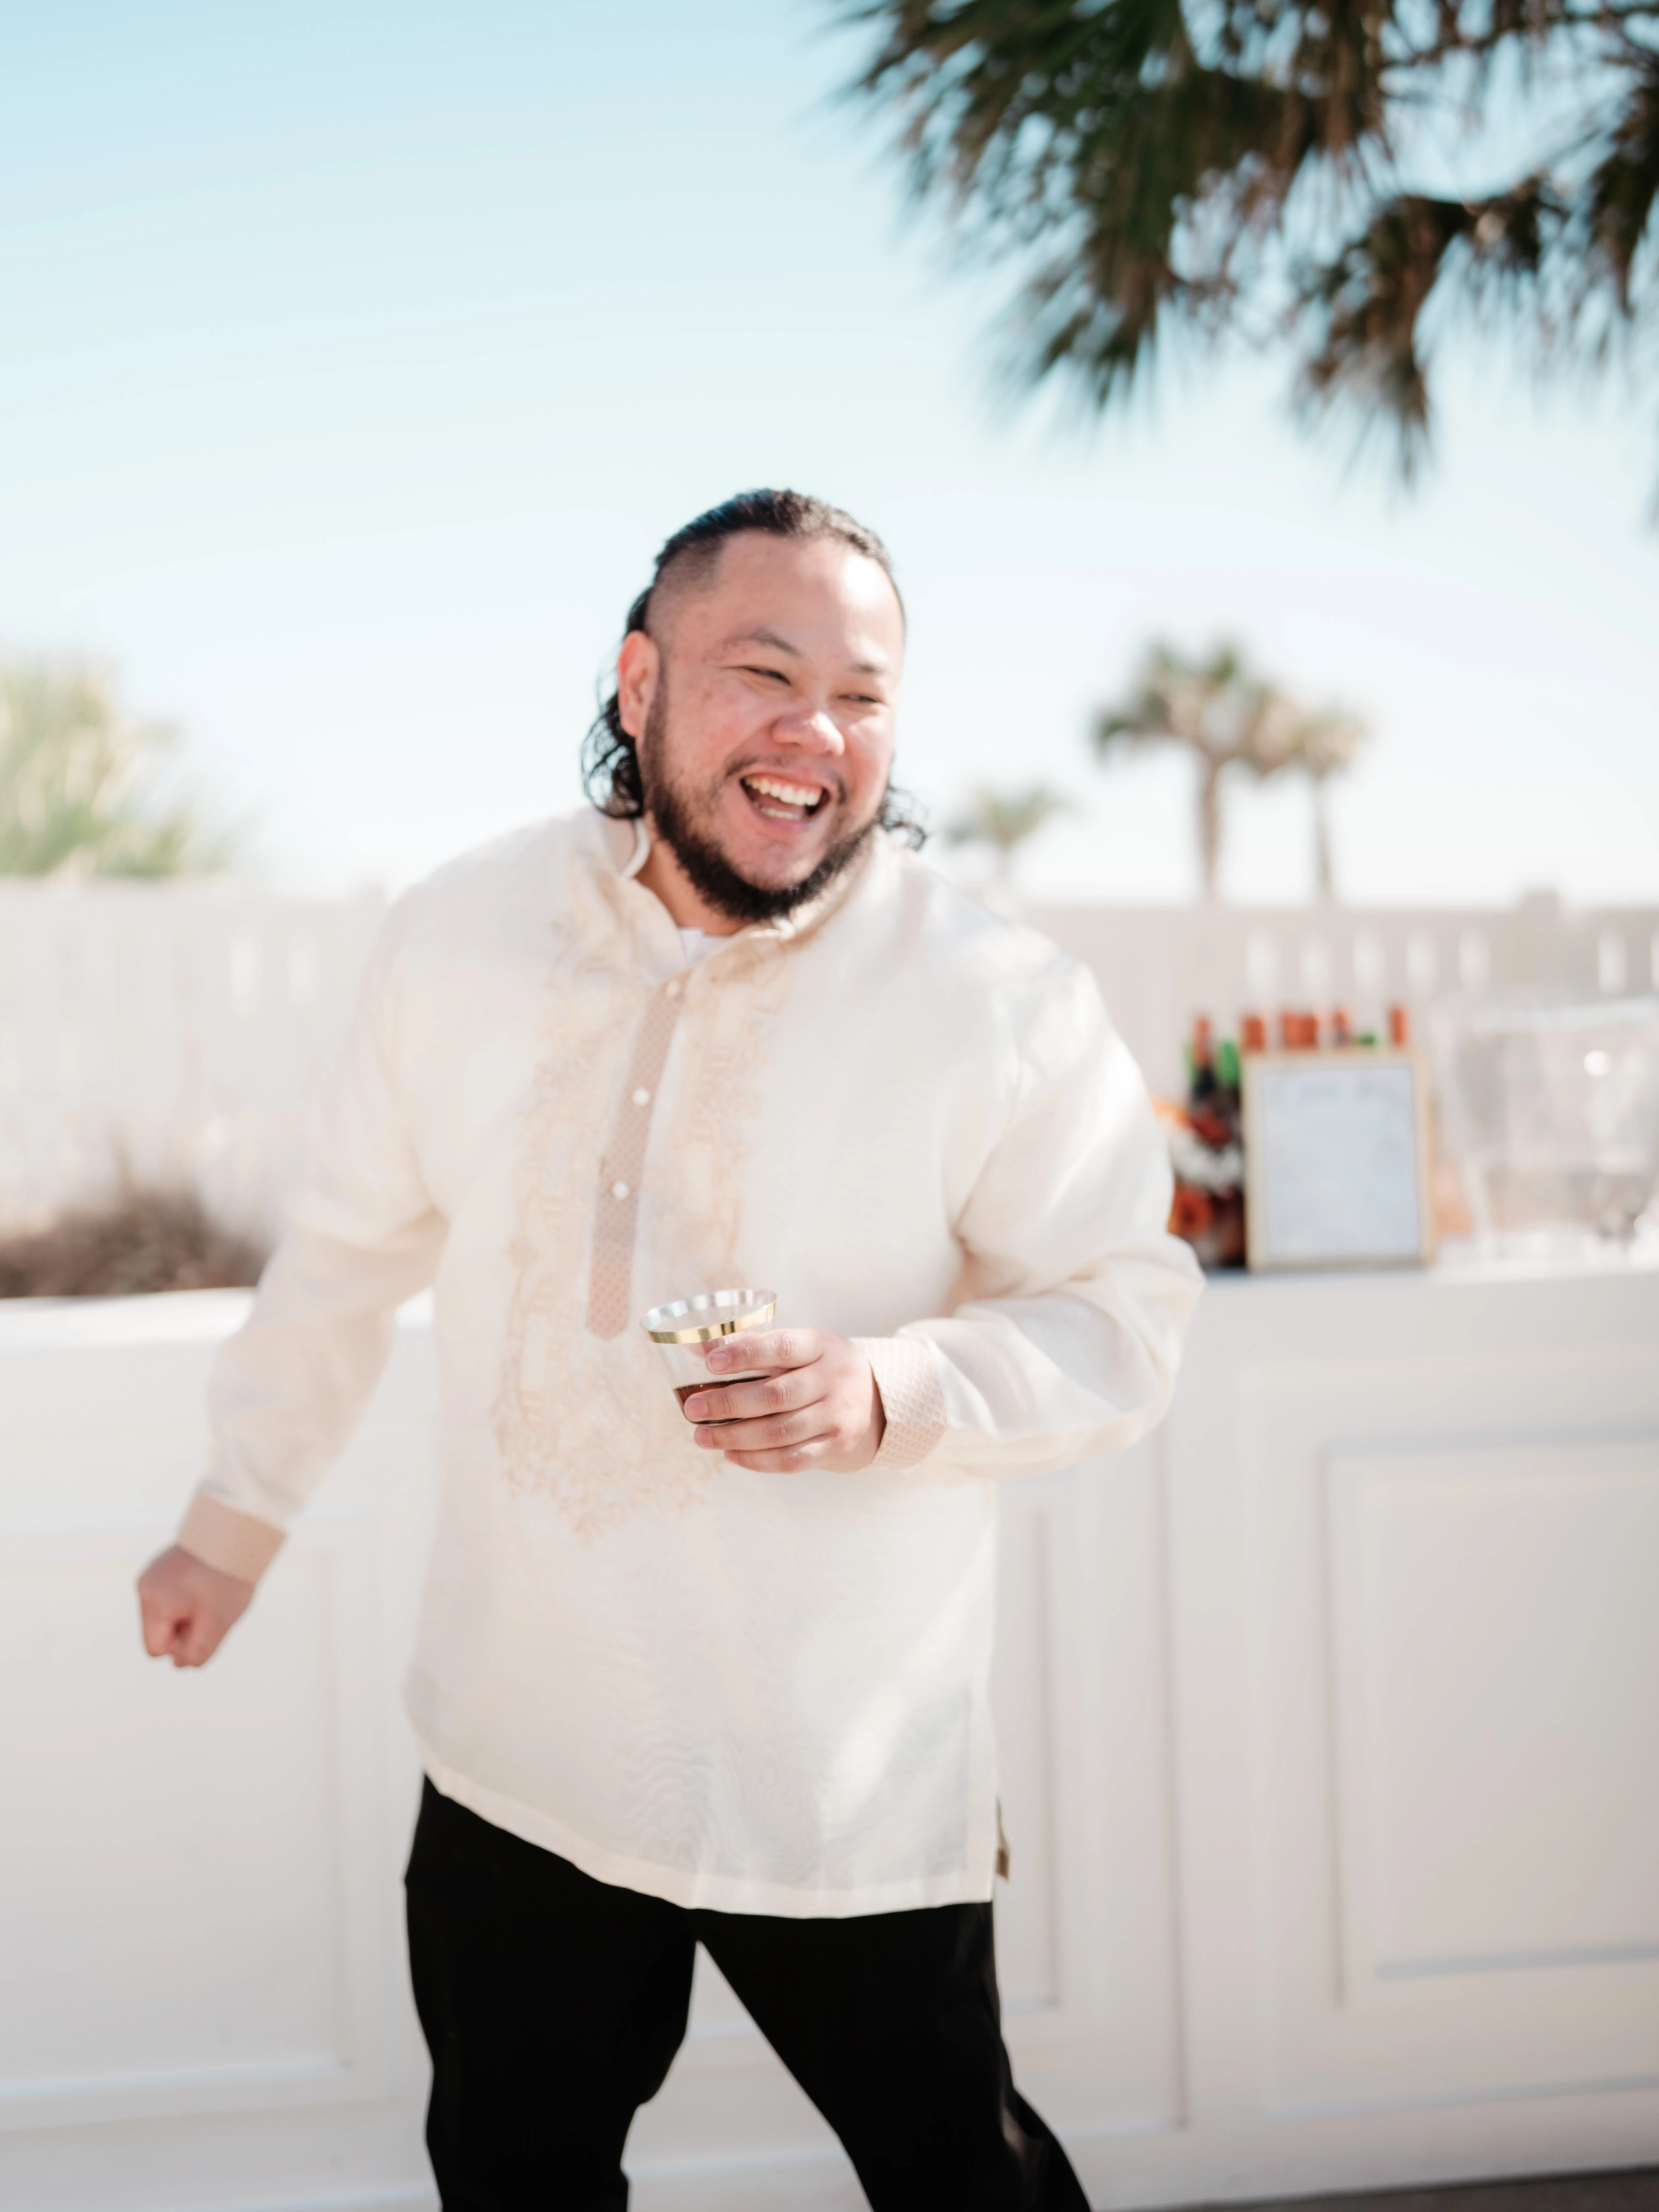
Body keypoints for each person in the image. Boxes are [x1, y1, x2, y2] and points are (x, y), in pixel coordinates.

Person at [137, 489, 1201, 2211]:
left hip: (838, 1765)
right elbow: (343, 1251)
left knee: (965, 2181)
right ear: (638, 680)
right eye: (762, 672)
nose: (816, 731)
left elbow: (1123, 1312)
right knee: (512, 2179)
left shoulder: (1001, 997)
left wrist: (886, 1390)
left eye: (862, 694)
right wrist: (231, 1519)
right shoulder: (458, 930)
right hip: (518, 1744)